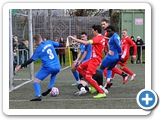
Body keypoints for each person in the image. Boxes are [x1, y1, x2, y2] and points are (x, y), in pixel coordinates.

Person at [15, 34, 62, 101]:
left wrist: (20, 66)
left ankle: (38, 96)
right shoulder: (49, 42)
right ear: (41, 38)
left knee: (35, 81)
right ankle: (50, 87)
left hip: (48, 67)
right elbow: (59, 44)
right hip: (57, 66)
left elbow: (31, 60)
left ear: (36, 41)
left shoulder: (39, 49)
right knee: (54, 74)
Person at [68, 24, 106, 99]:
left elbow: (85, 43)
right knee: (79, 68)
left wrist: (74, 39)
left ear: (96, 31)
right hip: (93, 59)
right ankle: (92, 84)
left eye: (93, 31)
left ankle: (101, 92)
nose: (92, 33)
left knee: (88, 77)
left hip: (95, 60)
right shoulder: (102, 38)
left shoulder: (97, 38)